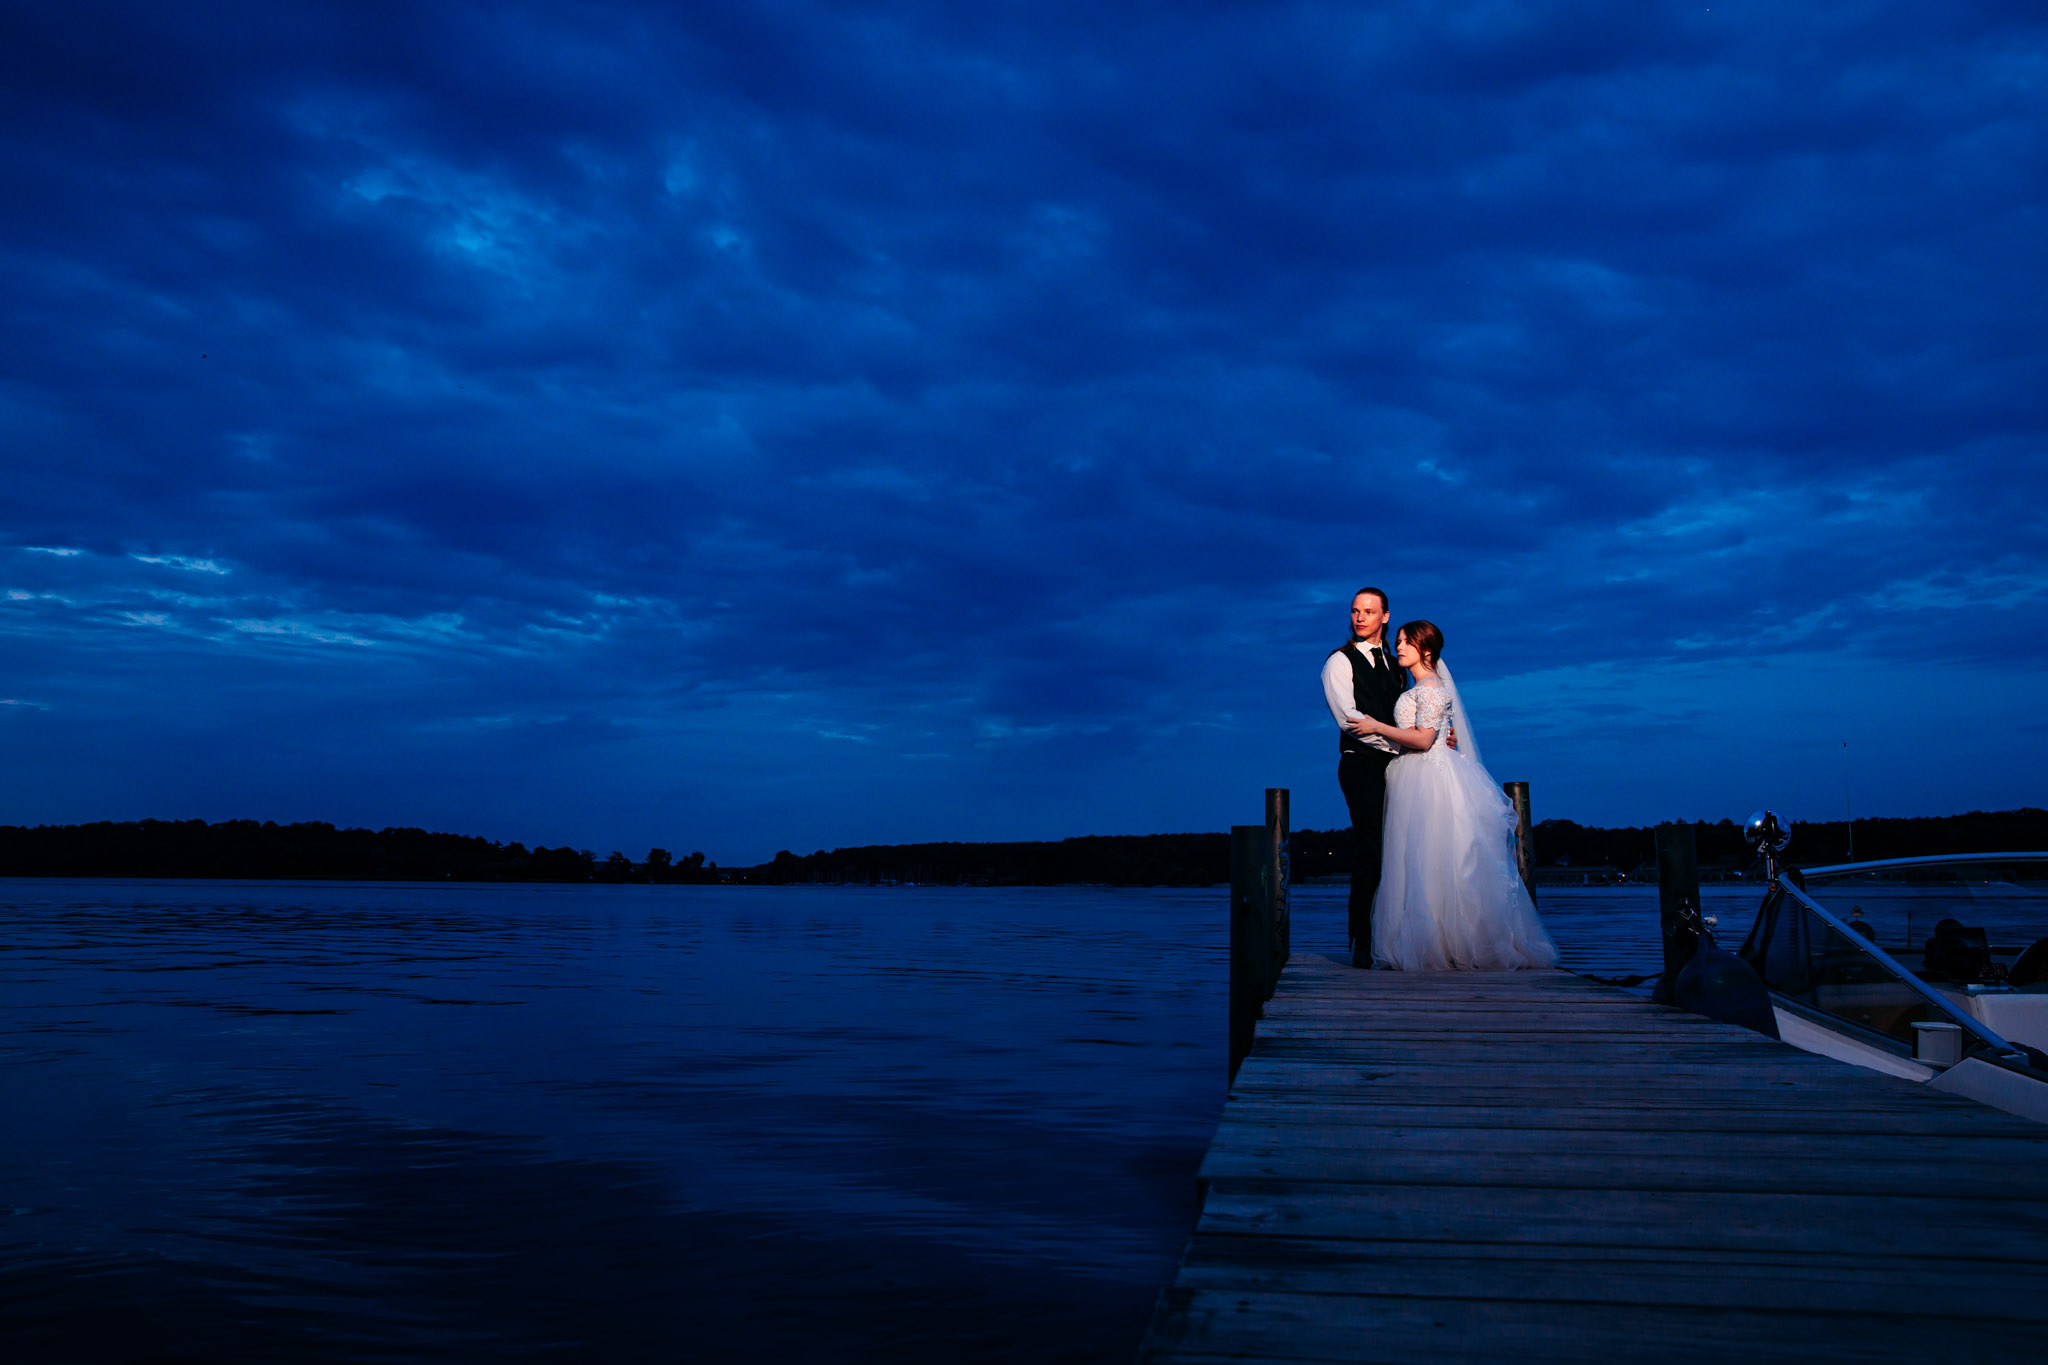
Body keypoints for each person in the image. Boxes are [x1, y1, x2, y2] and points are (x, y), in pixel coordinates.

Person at [1343, 620, 1558, 971]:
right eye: (1397, 641)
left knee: (1434, 857)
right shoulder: (1418, 687)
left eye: (1406, 642)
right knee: (1420, 860)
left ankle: (1446, 944)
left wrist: (1376, 726)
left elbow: (1425, 739)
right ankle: (1430, 941)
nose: (1399, 647)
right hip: (1414, 774)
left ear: (1426, 650)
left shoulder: (1430, 688)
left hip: (1429, 777)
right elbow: (1429, 733)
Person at [1320, 588, 1402, 966]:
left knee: (1402, 851)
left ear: (1385, 616)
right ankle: (1362, 943)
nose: (1360, 617)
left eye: (1369, 611)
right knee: (1372, 850)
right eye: (1355, 611)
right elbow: (1350, 720)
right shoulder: (1339, 661)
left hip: (1401, 767)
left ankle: (1398, 938)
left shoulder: (1397, 662)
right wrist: (1403, 745)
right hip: (1361, 764)